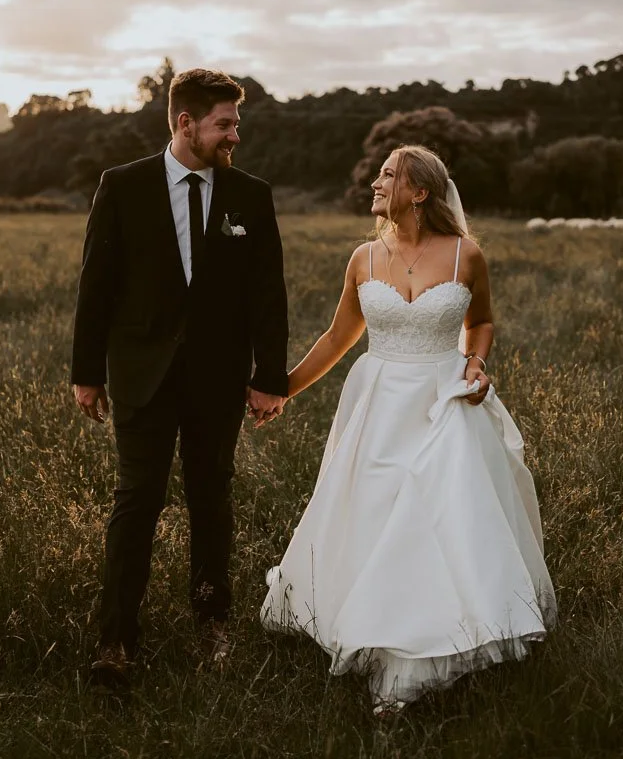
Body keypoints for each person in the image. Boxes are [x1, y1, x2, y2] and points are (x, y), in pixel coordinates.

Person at [260, 144, 555, 714]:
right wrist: (283, 389)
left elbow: (483, 321)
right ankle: (366, 619)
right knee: (375, 511)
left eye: (389, 174)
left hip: (444, 401)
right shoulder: (364, 258)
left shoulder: (465, 255)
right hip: (378, 404)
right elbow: (336, 338)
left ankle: (432, 635)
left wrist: (475, 362)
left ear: (420, 193)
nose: (376, 181)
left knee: (435, 515)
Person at [71, 68, 289, 689]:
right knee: (136, 501)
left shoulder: (251, 194)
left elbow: (266, 295)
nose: (233, 136)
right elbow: (97, 284)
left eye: (236, 124)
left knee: (210, 499)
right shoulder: (124, 186)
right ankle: (115, 639)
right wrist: (86, 373)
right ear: (184, 123)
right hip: (141, 375)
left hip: (218, 381)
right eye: (224, 124)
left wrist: (269, 376)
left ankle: (212, 623)